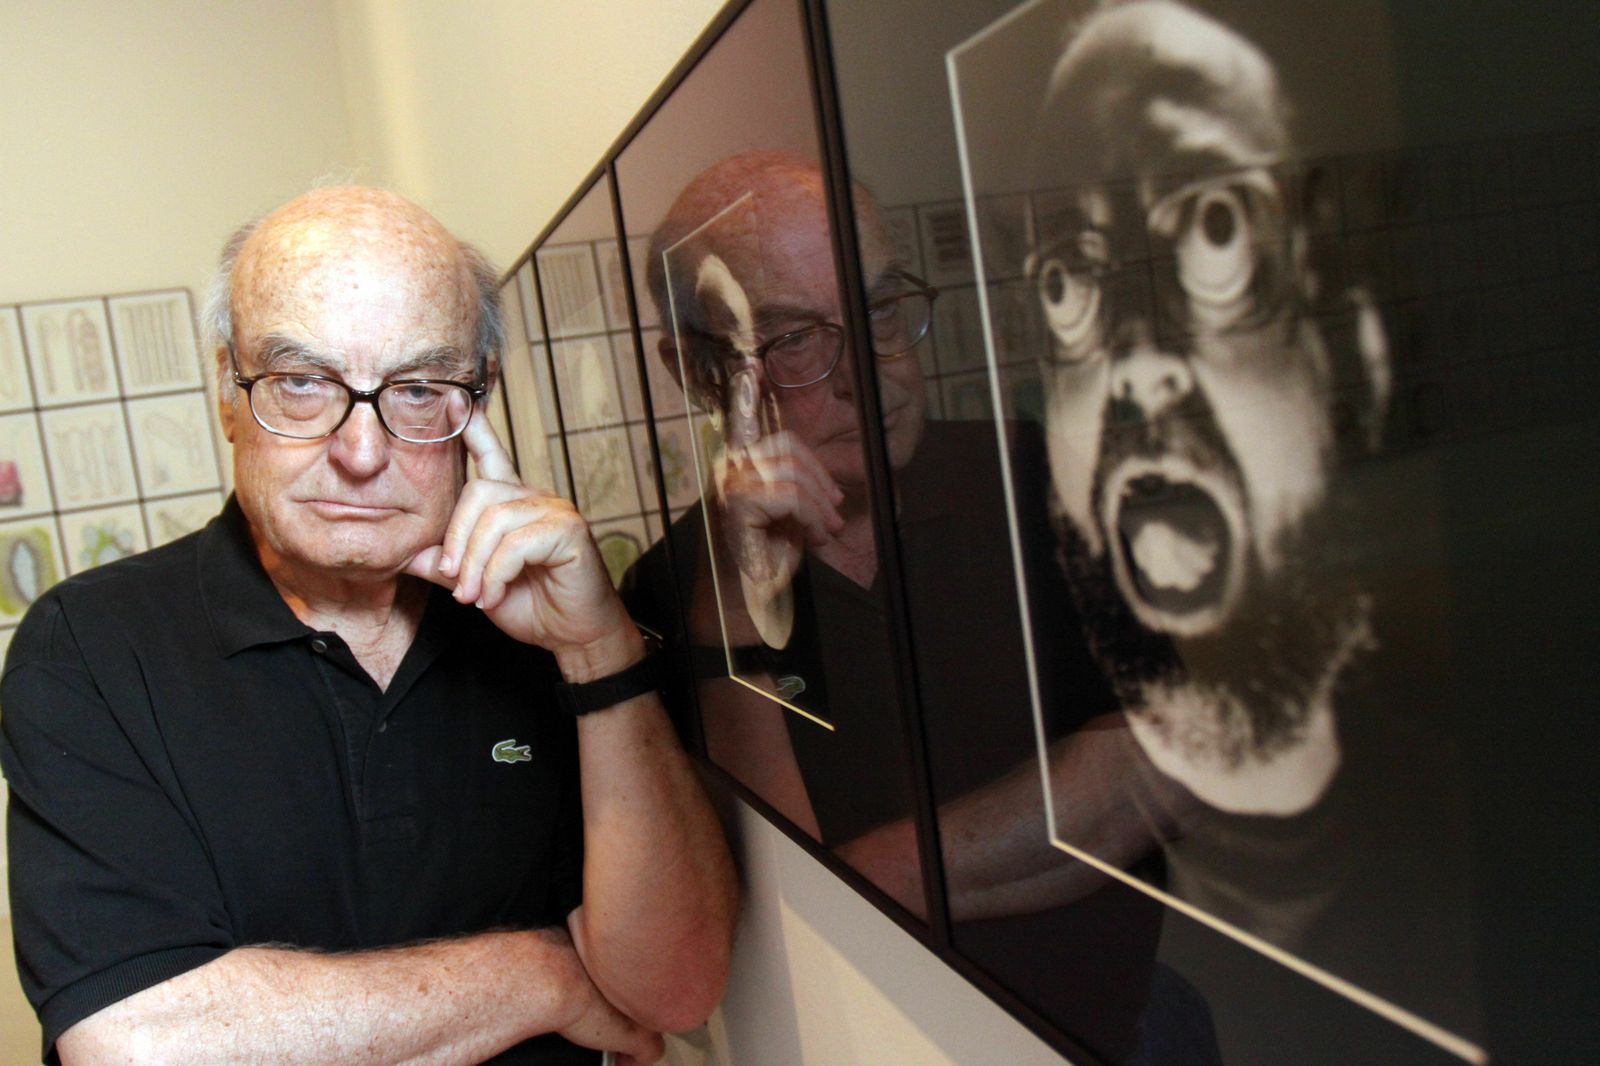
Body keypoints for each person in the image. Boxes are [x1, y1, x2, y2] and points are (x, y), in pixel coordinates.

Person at [1, 186, 737, 1065]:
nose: (360, 452)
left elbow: (677, 988)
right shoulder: (89, 646)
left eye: (419, 388)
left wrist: (598, 650)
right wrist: (538, 977)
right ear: (229, 392)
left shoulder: (554, 626)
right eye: (302, 383)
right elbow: (138, 1042)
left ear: (478, 402)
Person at [623, 151, 1213, 1064]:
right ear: (699, 373)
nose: (867, 372)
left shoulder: (1036, 475)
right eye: (793, 337)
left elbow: (1164, 769)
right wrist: (731, 615)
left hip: (1122, 1033)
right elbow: (763, 922)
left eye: (881, 308)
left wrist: (878, 875)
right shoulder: (671, 593)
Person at [1012, 0, 1477, 1041]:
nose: (1136, 367)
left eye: (1215, 235)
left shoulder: (1473, 854)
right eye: (1069, 285)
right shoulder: (1160, 955)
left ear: (1349, 358)